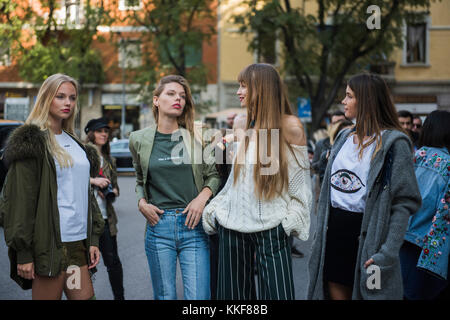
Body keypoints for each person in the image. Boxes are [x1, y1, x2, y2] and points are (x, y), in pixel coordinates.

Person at [307, 73, 422, 300]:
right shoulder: (343, 136)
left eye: (349, 96)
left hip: (372, 243)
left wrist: (387, 252)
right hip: (335, 235)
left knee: (373, 293)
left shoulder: (394, 144)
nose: (343, 101)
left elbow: (405, 202)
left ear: (366, 100)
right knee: (334, 293)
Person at [203, 63, 312, 300]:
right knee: (233, 299)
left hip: (273, 229)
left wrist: (290, 221)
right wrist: (216, 208)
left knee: (279, 295)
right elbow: (236, 180)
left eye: (244, 86)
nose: (238, 92)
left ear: (262, 89)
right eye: (239, 86)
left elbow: (300, 184)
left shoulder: (291, 126)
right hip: (232, 228)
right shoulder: (241, 123)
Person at [0, 73, 104, 300]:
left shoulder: (76, 144)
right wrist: (24, 253)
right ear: (47, 98)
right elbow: (19, 201)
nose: (68, 103)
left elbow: (86, 195)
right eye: (60, 97)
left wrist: (93, 240)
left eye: (72, 98)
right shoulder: (33, 142)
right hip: (48, 247)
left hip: (78, 245)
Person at [129, 75, 220, 300]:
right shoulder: (138, 139)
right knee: (165, 296)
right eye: (171, 94)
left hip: (194, 226)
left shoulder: (199, 137)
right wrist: (141, 203)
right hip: (158, 226)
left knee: (199, 298)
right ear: (156, 100)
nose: (178, 99)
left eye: (182, 96)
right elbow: (140, 180)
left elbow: (214, 176)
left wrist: (201, 199)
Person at [400, 110, 450, 300]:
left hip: (402, 236)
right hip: (430, 245)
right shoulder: (448, 164)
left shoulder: (413, 156)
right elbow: (445, 213)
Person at [85, 117, 125, 300]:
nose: (104, 134)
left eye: (106, 132)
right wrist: (94, 181)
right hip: (86, 219)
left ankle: (119, 297)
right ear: (91, 133)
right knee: (85, 264)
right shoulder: (83, 154)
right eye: (100, 131)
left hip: (106, 218)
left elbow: (116, 188)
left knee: (113, 262)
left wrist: (112, 190)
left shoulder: (109, 160)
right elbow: (69, 180)